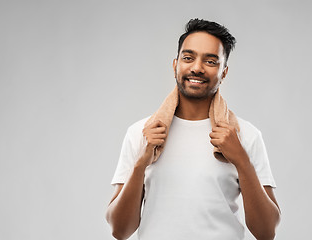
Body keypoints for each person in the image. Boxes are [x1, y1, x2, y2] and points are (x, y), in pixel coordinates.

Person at [106, 18, 281, 240]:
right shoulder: (141, 133)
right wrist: (141, 163)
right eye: (188, 58)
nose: (197, 68)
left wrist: (242, 160)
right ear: (175, 65)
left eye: (210, 61)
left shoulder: (245, 136)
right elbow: (119, 230)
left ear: (224, 72)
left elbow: (266, 232)